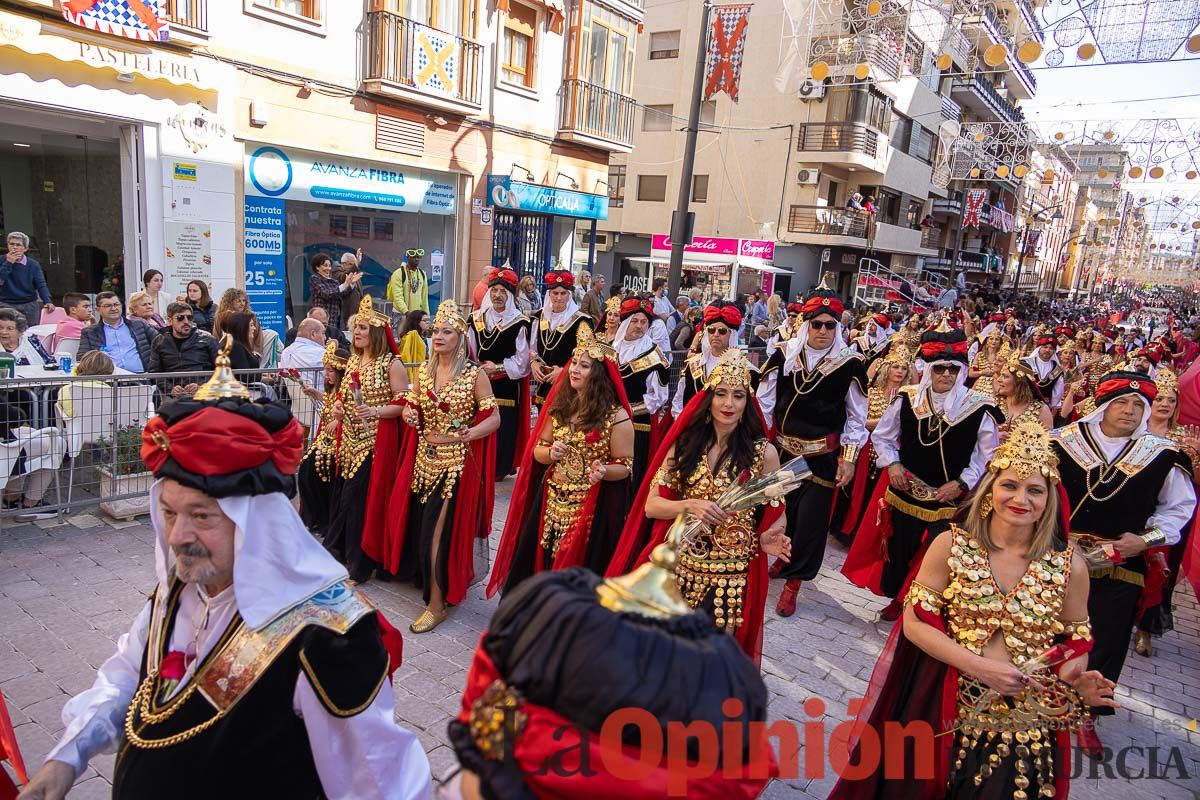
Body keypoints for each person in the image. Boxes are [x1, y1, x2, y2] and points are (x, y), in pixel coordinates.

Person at [16, 356, 431, 800]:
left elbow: (382, 784)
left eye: (201, 516)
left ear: (257, 522)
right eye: (169, 512)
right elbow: (127, 674)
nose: (177, 536)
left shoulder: (325, 637)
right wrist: (66, 758)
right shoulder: (181, 587)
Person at [828, 423, 1116, 800]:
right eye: (1010, 485)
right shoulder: (951, 545)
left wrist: (1076, 680)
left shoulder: (1069, 567)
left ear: (1050, 500)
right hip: (938, 699)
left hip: (1021, 718)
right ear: (989, 490)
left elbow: (1072, 642)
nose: (1020, 499)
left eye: (1034, 490)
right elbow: (915, 624)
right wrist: (980, 667)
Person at [606, 348, 792, 664]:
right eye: (721, 394)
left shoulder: (765, 454)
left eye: (738, 396)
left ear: (748, 403)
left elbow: (777, 513)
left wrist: (769, 536)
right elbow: (652, 507)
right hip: (680, 563)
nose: (729, 404)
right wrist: (691, 505)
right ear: (709, 398)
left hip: (730, 574)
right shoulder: (685, 445)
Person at [1051, 371, 1196, 751]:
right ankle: (1036, 695)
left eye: (1138, 405)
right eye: (1121, 402)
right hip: (1056, 555)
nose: (1130, 411)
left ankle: (1085, 713)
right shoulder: (1061, 442)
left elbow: (1178, 509)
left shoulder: (1163, 456)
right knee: (1046, 627)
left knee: (1107, 638)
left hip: (1119, 560)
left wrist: (1144, 540)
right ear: (1103, 405)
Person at [843, 319, 1001, 621]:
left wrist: (962, 483)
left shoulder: (980, 406)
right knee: (898, 551)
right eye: (939, 368)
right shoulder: (908, 397)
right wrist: (893, 465)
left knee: (933, 557)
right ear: (928, 369)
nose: (946, 374)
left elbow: (986, 457)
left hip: (948, 499)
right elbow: (884, 436)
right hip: (905, 492)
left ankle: (916, 606)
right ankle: (896, 598)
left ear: (962, 370)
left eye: (953, 369)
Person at [365, 300, 499, 633]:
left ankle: (437, 605)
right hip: (423, 459)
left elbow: (494, 417)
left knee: (437, 535)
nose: (438, 336)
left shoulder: (474, 374)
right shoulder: (424, 370)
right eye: (436, 330)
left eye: (446, 331)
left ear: (460, 336)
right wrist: (410, 413)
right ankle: (430, 586)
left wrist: (469, 433)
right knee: (422, 531)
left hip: (455, 466)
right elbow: (412, 404)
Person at [490, 327, 634, 595]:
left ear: (599, 375)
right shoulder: (561, 406)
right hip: (552, 500)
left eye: (584, 366)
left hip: (591, 509)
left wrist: (603, 471)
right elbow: (537, 451)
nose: (574, 370)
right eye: (574, 364)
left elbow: (625, 467)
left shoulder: (617, 417)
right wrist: (550, 453)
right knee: (545, 561)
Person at [756, 284, 868, 616]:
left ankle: (794, 584)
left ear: (839, 327)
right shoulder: (785, 354)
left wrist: (848, 459)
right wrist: (761, 443)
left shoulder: (850, 364)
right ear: (806, 324)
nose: (822, 331)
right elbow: (764, 403)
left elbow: (856, 416)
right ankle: (780, 560)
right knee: (780, 512)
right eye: (816, 324)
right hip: (783, 453)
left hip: (821, 457)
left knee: (810, 524)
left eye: (829, 325)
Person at [324, 295, 409, 584]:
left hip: (375, 441)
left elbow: (402, 403)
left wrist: (374, 410)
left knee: (359, 500)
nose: (356, 333)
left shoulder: (391, 364)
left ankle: (360, 563)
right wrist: (338, 408)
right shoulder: (353, 362)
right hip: (348, 437)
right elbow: (343, 397)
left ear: (374, 332)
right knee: (344, 495)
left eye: (362, 327)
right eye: (355, 327)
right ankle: (341, 555)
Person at [1136, 368, 1200, 658]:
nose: (1164, 404)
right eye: (1159, 398)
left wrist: (1195, 455)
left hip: (1166, 512)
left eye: (1170, 400)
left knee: (1160, 570)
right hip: (1133, 507)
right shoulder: (1134, 429)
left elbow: (1194, 482)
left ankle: (1146, 629)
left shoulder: (1184, 437)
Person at [835, 343, 913, 545]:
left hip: (890, 454)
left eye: (904, 368)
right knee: (859, 492)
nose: (899, 371)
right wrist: (885, 423)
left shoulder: (908, 398)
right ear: (887, 368)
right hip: (866, 451)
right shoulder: (871, 392)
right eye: (896, 366)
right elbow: (859, 420)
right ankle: (849, 532)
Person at [467, 267, 531, 480]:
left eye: (503, 291)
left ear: (510, 295)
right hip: (480, 383)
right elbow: (469, 352)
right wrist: (476, 369)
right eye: (494, 290)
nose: (497, 295)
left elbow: (522, 362)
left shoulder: (520, 322)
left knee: (503, 429)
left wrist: (498, 367)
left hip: (506, 387)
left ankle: (499, 468)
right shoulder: (475, 320)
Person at [614, 297, 670, 490]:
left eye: (644, 322)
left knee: (632, 474)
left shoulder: (654, 355)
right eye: (635, 321)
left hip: (637, 425)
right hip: (607, 422)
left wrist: (628, 410)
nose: (639, 326)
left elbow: (659, 397)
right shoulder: (611, 348)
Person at [297, 341, 348, 535]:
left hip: (337, 444)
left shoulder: (348, 391)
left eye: (331, 371)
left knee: (321, 471)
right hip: (323, 441)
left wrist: (339, 422)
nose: (326, 375)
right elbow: (328, 401)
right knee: (306, 471)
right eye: (325, 370)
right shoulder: (332, 391)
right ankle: (314, 517)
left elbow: (352, 410)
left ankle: (324, 519)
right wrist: (315, 393)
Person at [529, 270, 592, 412]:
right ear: (549, 294)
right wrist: (533, 362)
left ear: (569, 295)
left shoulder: (582, 321)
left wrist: (564, 371)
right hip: (543, 384)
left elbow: (587, 357)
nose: (559, 297)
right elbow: (531, 348)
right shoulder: (539, 317)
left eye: (563, 293)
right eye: (555, 293)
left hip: (569, 385)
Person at [671, 301, 746, 418]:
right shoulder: (693, 364)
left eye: (722, 331)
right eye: (711, 330)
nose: (716, 334)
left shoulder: (745, 369)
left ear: (732, 334)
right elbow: (679, 400)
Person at [0, 395, 58, 520]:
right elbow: (17, 417)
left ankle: (11, 498)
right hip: (5, 454)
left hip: (5, 442)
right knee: (56, 444)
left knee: (28, 432)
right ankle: (31, 504)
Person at [148, 302, 220, 398]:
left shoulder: (207, 339)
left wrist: (202, 385)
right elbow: (155, 372)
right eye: (180, 318)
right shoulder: (159, 341)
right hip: (173, 398)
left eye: (189, 318)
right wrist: (170, 389)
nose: (186, 321)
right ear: (170, 321)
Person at [78, 292, 155, 374]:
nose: (113, 308)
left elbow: (161, 342)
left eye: (116, 304)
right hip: (108, 380)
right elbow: (82, 358)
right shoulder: (90, 332)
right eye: (108, 306)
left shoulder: (139, 325)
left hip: (142, 377)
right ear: (98, 310)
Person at [0, 231, 52, 326]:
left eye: (18, 245)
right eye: (12, 244)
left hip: (29, 304)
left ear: (25, 248)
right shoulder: (1, 260)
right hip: (5, 303)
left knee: (30, 334)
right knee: (7, 332)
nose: (14, 247)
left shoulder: (33, 264)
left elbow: (41, 284)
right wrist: (8, 264)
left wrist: (47, 300)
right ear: (8, 246)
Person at [993, 353, 1054, 435]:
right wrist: (995, 437)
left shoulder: (1040, 410)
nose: (999, 379)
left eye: (1005, 376)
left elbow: (1048, 442)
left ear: (1019, 382)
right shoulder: (994, 403)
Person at [57, 350, 114, 419]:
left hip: (75, 427)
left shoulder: (65, 390)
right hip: (105, 427)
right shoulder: (109, 391)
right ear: (107, 372)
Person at [1023, 328, 1065, 418]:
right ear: (1039, 348)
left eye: (1051, 348)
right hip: (1023, 404)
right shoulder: (1026, 363)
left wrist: (1052, 409)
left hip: (1043, 409)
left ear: (1054, 351)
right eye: (1045, 347)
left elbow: (1057, 392)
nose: (1047, 350)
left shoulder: (1057, 370)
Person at [279, 318, 328, 392]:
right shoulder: (322, 353)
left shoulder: (286, 352)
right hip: (322, 400)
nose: (325, 338)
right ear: (313, 334)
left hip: (295, 401)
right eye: (323, 333)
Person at [307, 252, 349, 331]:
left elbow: (343, 293)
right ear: (317, 267)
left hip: (335, 320)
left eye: (330, 266)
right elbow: (326, 293)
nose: (329, 268)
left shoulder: (334, 282)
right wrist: (344, 285)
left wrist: (351, 283)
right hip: (321, 319)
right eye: (325, 265)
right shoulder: (315, 278)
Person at [386, 249, 429, 315]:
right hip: (400, 314)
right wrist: (406, 312)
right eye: (414, 257)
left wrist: (426, 315)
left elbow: (424, 298)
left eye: (418, 257)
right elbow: (398, 296)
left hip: (416, 314)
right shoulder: (398, 273)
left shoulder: (422, 274)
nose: (417, 259)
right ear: (408, 258)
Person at [396, 309, 429, 384]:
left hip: (424, 371)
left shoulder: (423, 337)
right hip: (416, 373)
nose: (428, 322)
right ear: (416, 322)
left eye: (428, 320)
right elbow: (406, 356)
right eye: (424, 320)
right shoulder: (411, 336)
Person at [334, 250, 366, 326]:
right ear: (344, 263)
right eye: (352, 264)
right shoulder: (337, 271)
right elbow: (343, 277)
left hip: (357, 313)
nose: (355, 267)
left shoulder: (355, 272)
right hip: (345, 313)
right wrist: (357, 264)